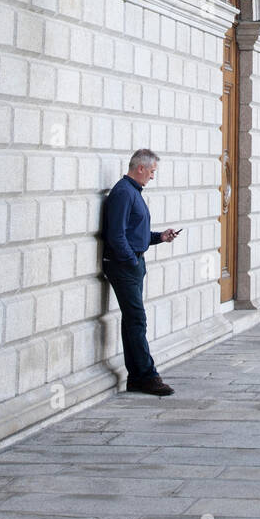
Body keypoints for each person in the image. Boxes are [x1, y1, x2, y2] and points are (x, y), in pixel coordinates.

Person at [102, 149, 181, 396]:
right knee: (137, 319)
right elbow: (116, 234)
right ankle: (147, 376)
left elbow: (134, 233)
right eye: (152, 172)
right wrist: (130, 261)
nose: (152, 177)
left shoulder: (132, 192)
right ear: (140, 168)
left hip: (133, 264)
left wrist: (159, 237)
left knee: (132, 321)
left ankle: (136, 377)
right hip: (125, 266)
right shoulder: (124, 193)